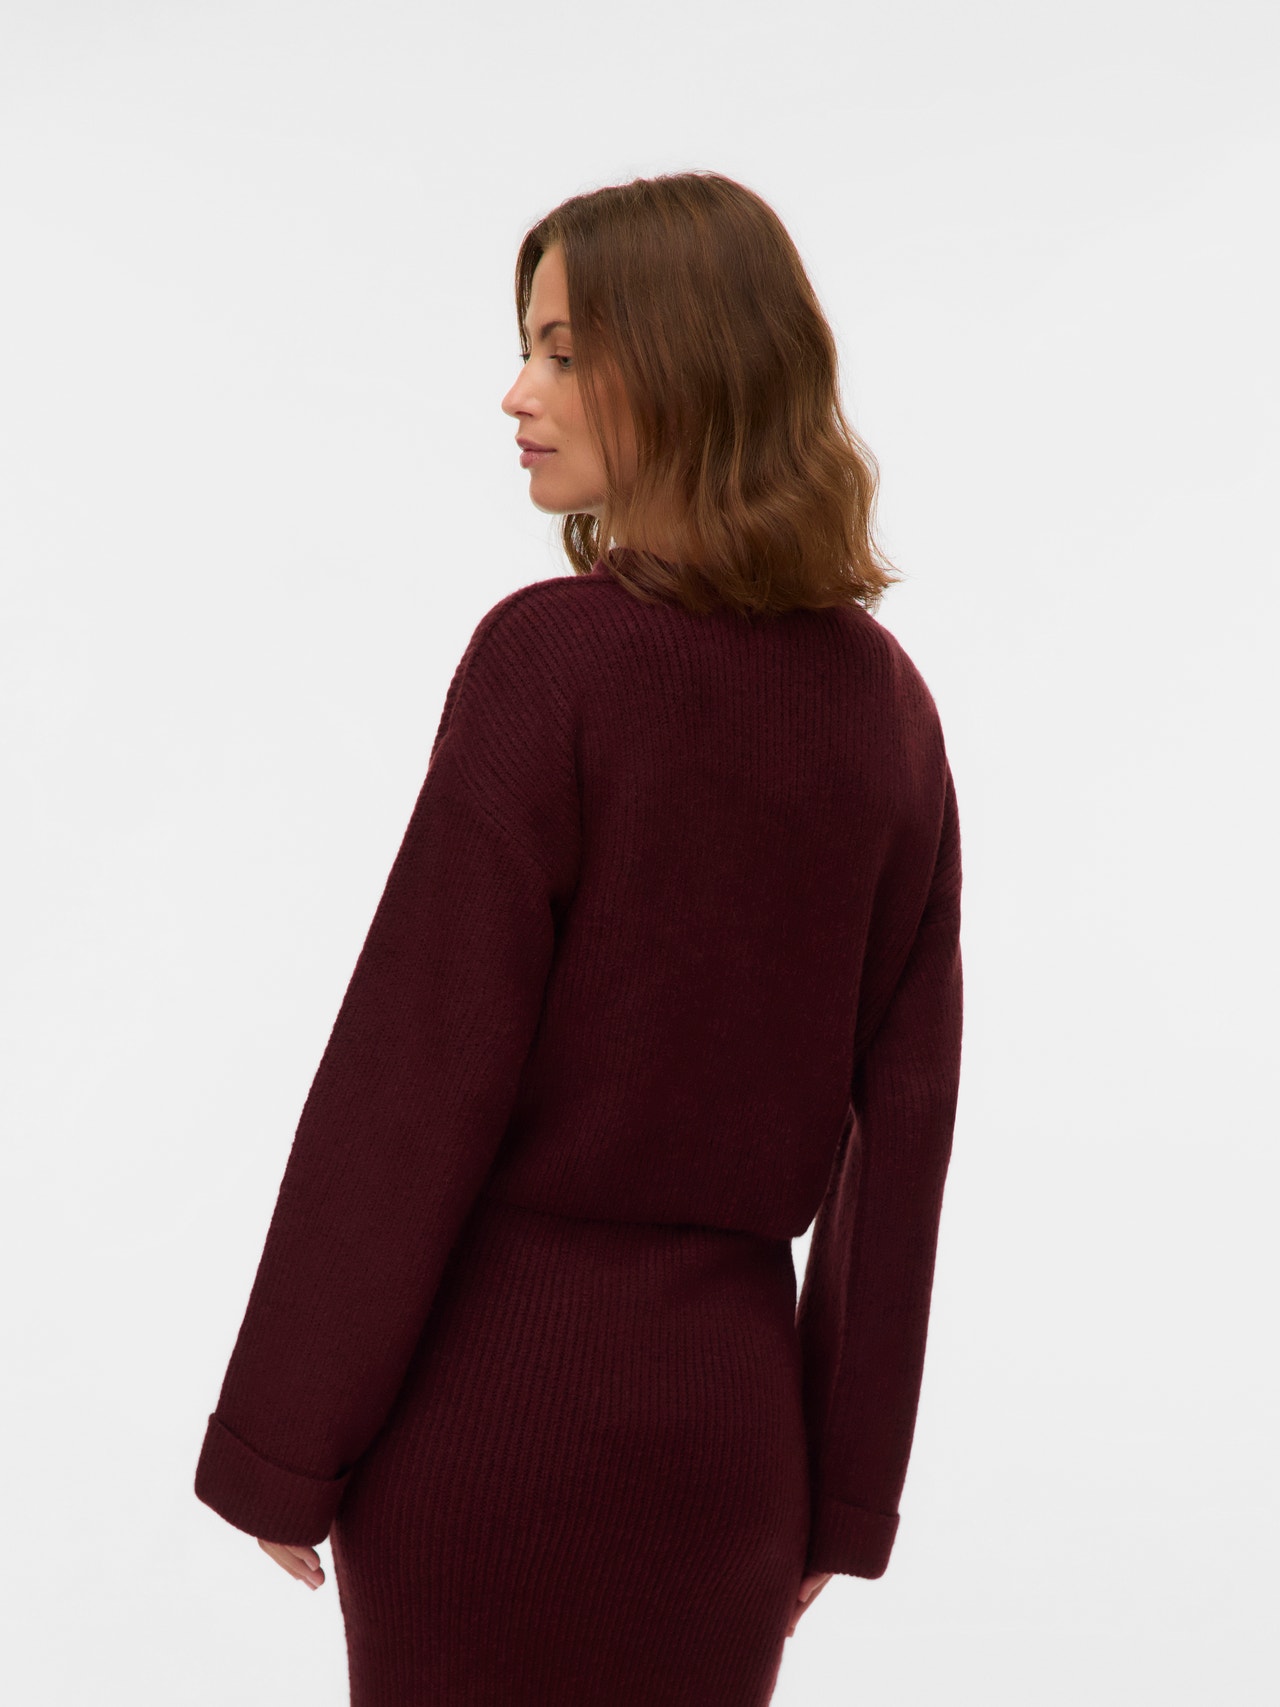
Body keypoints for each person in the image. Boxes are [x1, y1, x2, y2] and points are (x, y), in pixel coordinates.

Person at [194, 170, 964, 1706]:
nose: (515, 394)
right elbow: (905, 1132)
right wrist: (844, 1490)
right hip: (731, 1445)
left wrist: (285, 1436)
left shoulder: (551, 663)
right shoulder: (888, 710)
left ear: (678, 364)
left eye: (560, 351)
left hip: (492, 1417)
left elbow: (417, 1071)